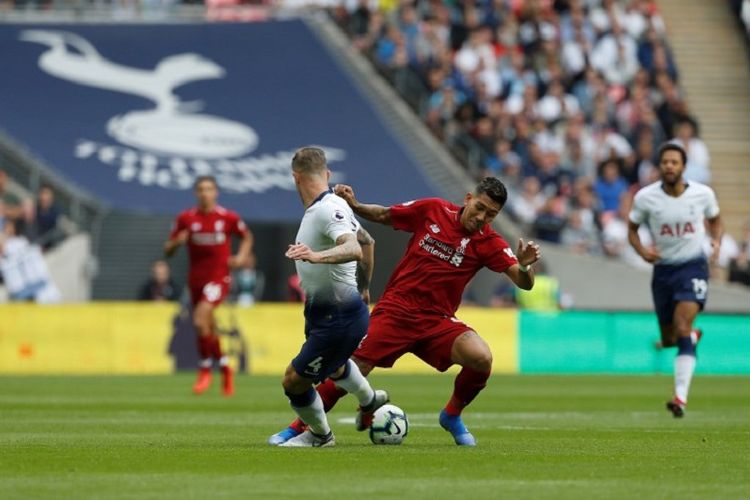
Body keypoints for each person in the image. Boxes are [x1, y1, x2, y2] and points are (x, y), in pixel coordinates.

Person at [270, 176, 541, 446]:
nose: (482, 217)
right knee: (354, 367)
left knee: (481, 358)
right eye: (480, 207)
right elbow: (387, 215)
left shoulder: (489, 242)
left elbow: (522, 282)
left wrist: (527, 267)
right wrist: (356, 205)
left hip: (437, 321)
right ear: (468, 198)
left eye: (491, 214)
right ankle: (301, 427)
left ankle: (451, 415)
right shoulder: (434, 210)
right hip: (396, 311)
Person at [275, 147, 386, 448]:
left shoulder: (328, 208)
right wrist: (364, 287)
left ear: (295, 177)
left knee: (293, 381)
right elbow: (368, 240)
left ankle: (321, 436)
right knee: (335, 367)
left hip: (338, 317)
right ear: (327, 174)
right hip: (329, 313)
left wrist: (315, 255)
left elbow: (353, 248)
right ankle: (369, 399)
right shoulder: (329, 208)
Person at [628, 143, 722, 418]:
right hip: (663, 271)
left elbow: (716, 220)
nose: (669, 166)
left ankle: (680, 397)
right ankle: (691, 336)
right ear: (659, 166)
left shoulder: (703, 194)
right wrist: (642, 251)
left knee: (681, 325)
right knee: (671, 339)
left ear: (683, 167)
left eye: (674, 162)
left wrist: (716, 241)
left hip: (693, 266)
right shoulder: (646, 198)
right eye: (665, 162)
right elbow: (632, 230)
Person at [164, 176, 253, 397]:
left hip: (219, 278)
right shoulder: (186, 219)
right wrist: (177, 242)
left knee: (199, 318)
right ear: (196, 193)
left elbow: (246, 236)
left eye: (209, 189)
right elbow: (167, 250)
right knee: (206, 326)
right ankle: (224, 367)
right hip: (195, 280)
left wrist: (241, 257)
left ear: (216, 192)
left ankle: (205, 369)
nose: (205, 193)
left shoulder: (227, 217)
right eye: (201, 189)